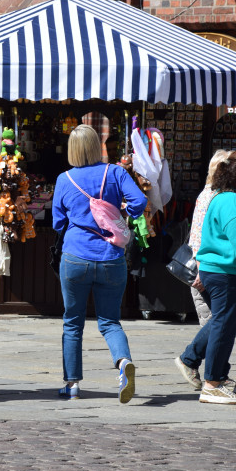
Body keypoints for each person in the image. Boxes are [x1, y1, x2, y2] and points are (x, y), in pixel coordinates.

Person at [52, 124, 147, 403]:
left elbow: (58, 222)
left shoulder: (64, 179)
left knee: (72, 323)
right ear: (97, 146)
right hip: (111, 259)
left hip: (75, 257)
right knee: (110, 322)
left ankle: (72, 385)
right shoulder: (115, 172)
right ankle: (123, 363)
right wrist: (123, 212)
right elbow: (139, 201)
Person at [177, 150, 236, 405]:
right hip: (226, 273)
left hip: (233, 272)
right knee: (224, 325)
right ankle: (212, 383)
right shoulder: (230, 201)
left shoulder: (230, 198)